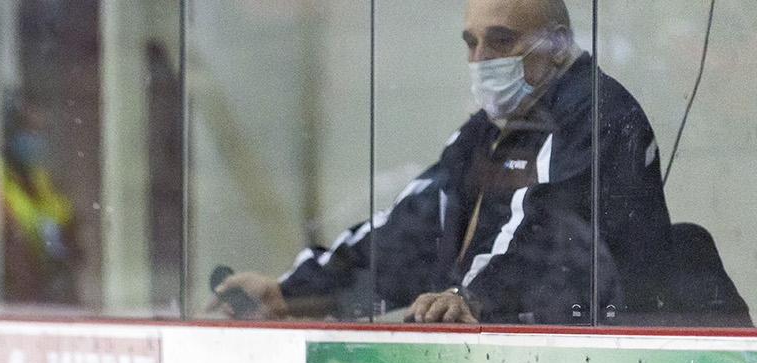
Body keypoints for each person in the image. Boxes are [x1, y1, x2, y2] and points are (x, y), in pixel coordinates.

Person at [213, 0, 672, 325]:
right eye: (471, 43)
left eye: (501, 41)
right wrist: (290, 293)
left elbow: (548, 234)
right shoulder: (492, 128)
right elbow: (415, 225)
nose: (480, 60)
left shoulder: (600, 117)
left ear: (557, 42)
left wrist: (469, 297)